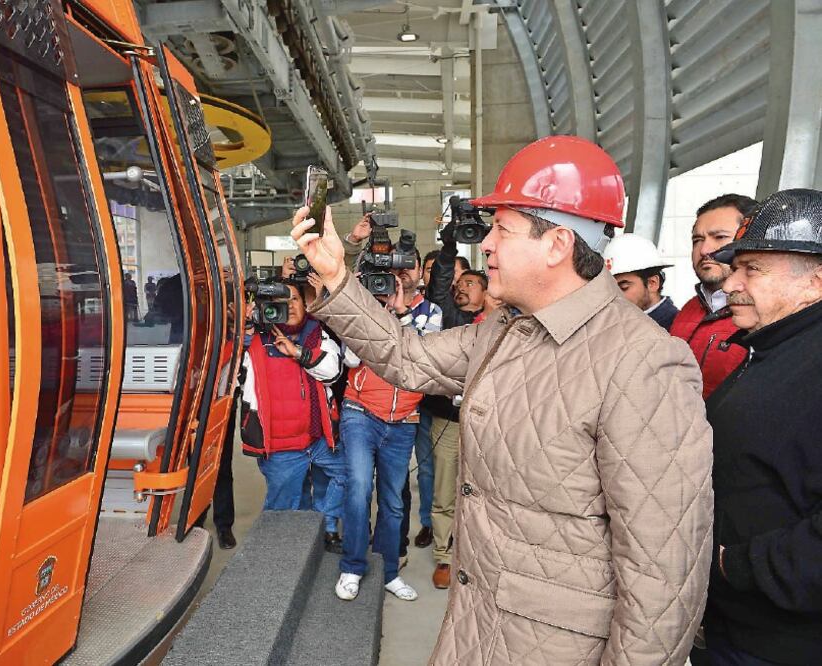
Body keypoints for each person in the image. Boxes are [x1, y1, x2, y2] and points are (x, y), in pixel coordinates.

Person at [294, 135, 712, 664]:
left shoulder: (644, 362)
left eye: (502, 229)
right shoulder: (506, 330)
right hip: (478, 623)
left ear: (558, 244)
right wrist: (335, 275)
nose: (486, 244)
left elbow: (663, 576)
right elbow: (406, 359)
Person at [699, 189, 822, 666]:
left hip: (780, 643)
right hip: (737, 628)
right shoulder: (773, 349)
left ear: (815, 282)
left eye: (753, 269)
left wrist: (736, 566)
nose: (731, 284)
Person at [336, 246, 441, 604]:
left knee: (394, 502)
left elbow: (424, 358)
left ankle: (389, 573)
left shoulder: (431, 312)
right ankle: (352, 566)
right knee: (359, 488)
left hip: (404, 421)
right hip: (360, 413)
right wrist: (375, 317)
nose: (403, 275)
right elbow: (349, 359)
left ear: (418, 273)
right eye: (397, 268)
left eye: (409, 266)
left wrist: (401, 314)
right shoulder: (366, 309)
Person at [239, 282, 346, 548]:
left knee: (350, 474)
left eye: (295, 298)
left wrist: (297, 352)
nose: (290, 305)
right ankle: (281, 558)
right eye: (281, 301)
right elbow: (229, 365)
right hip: (280, 448)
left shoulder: (315, 333)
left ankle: (324, 524)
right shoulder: (254, 340)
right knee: (281, 513)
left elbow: (332, 371)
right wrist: (244, 328)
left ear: (305, 303)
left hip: (318, 439)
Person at [422, 223, 499, 589]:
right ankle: (443, 556)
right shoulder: (448, 317)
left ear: (488, 292)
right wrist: (449, 243)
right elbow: (439, 281)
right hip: (449, 421)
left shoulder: (502, 323)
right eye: (459, 284)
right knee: (443, 490)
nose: (462, 287)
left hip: (492, 425)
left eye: (471, 283)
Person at [669, 194, 757, 398]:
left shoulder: (763, 314)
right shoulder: (687, 310)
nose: (705, 250)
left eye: (719, 237)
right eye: (697, 240)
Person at [602, 233, 678, 329]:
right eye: (611, 289)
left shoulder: (676, 331)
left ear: (652, 283)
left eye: (623, 288)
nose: (615, 297)